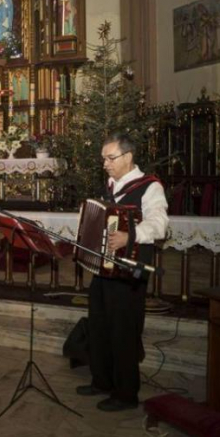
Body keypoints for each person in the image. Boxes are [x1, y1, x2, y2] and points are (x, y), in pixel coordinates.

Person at [77, 133, 168, 412]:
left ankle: (126, 393)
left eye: (110, 157)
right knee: (99, 325)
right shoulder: (111, 185)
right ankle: (102, 381)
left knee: (123, 331)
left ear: (128, 157)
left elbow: (160, 225)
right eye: (103, 158)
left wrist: (130, 236)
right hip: (105, 269)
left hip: (130, 271)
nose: (105, 163)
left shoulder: (150, 187)